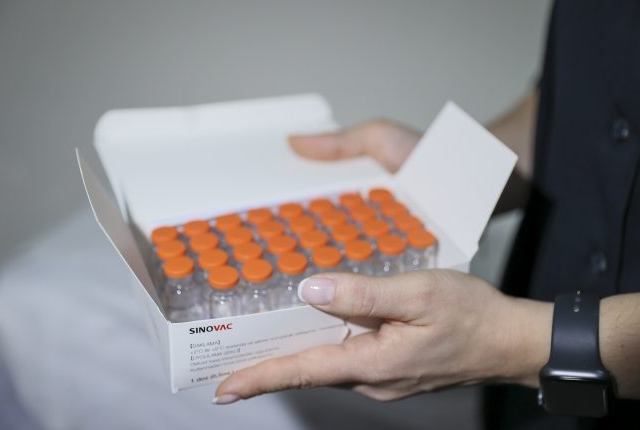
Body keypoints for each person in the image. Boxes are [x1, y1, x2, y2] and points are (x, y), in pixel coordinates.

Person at [214, 1, 640, 428]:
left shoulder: (516, 342)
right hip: (530, 390)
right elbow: (581, 101)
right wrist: (446, 175)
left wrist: (511, 341)